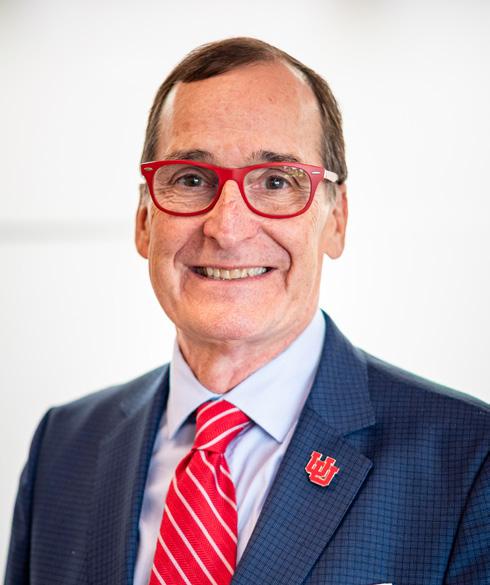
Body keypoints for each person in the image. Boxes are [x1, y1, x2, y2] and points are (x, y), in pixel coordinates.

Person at [5, 37, 489, 585]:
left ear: (336, 221)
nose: (227, 228)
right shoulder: (64, 446)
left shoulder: (468, 460)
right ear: (143, 220)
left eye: (277, 182)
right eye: (191, 180)